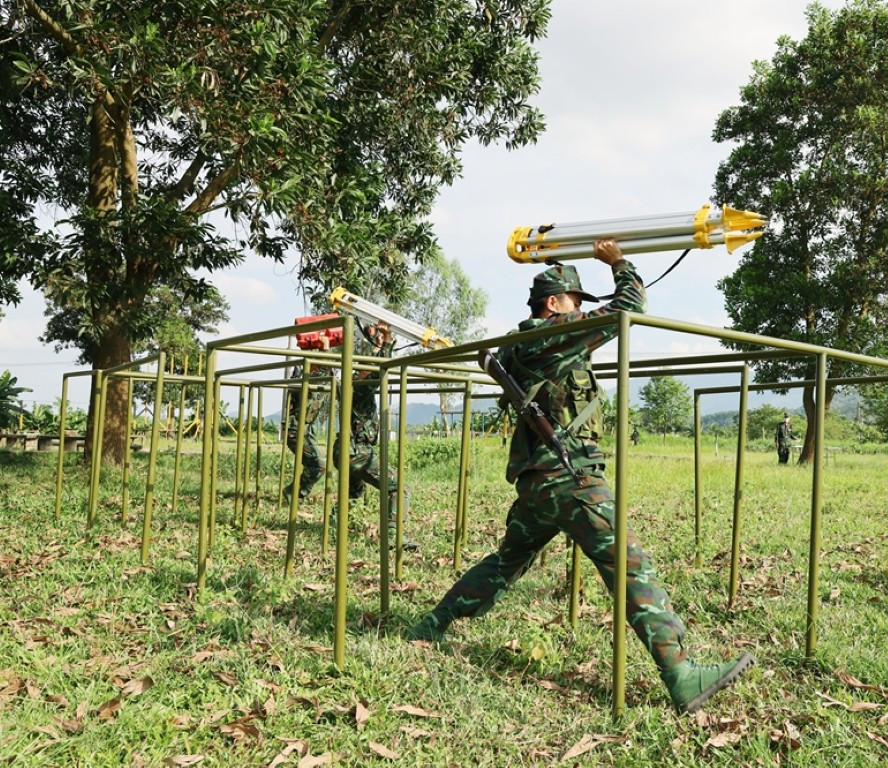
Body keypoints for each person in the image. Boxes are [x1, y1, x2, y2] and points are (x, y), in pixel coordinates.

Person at [406, 240, 754, 714]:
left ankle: (433, 624)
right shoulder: (557, 333)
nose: (578, 310)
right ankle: (681, 674)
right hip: (571, 479)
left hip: (537, 482)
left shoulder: (515, 347)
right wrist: (616, 263)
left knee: (507, 561)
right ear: (555, 304)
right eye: (574, 301)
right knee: (629, 566)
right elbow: (630, 305)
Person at [332, 321, 417, 552]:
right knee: (399, 487)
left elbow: (375, 365)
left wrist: (381, 342)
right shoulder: (358, 386)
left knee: (354, 491)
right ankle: (392, 535)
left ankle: (334, 523)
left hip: (347, 450)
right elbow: (379, 369)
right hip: (356, 452)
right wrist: (386, 342)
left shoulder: (352, 384)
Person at [282, 366, 326, 503]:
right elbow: (321, 371)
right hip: (296, 431)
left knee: (317, 464)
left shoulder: (313, 378)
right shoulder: (305, 378)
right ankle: (295, 494)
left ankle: (296, 493)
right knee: (319, 464)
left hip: (304, 431)